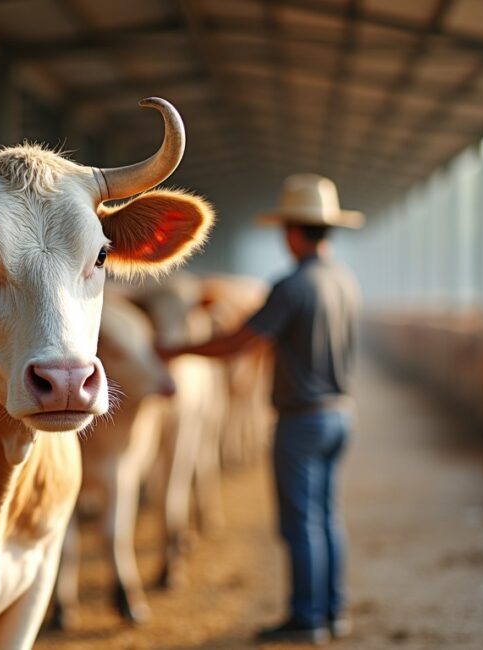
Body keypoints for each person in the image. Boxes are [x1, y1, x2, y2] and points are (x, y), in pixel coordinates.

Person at [157, 173, 362, 645]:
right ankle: (333, 610)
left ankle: (306, 618)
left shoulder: (292, 286)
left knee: (299, 522)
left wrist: (181, 350)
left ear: (293, 230)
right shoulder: (343, 282)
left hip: (301, 418)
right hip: (340, 413)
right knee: (327, 516)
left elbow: (240, 342)